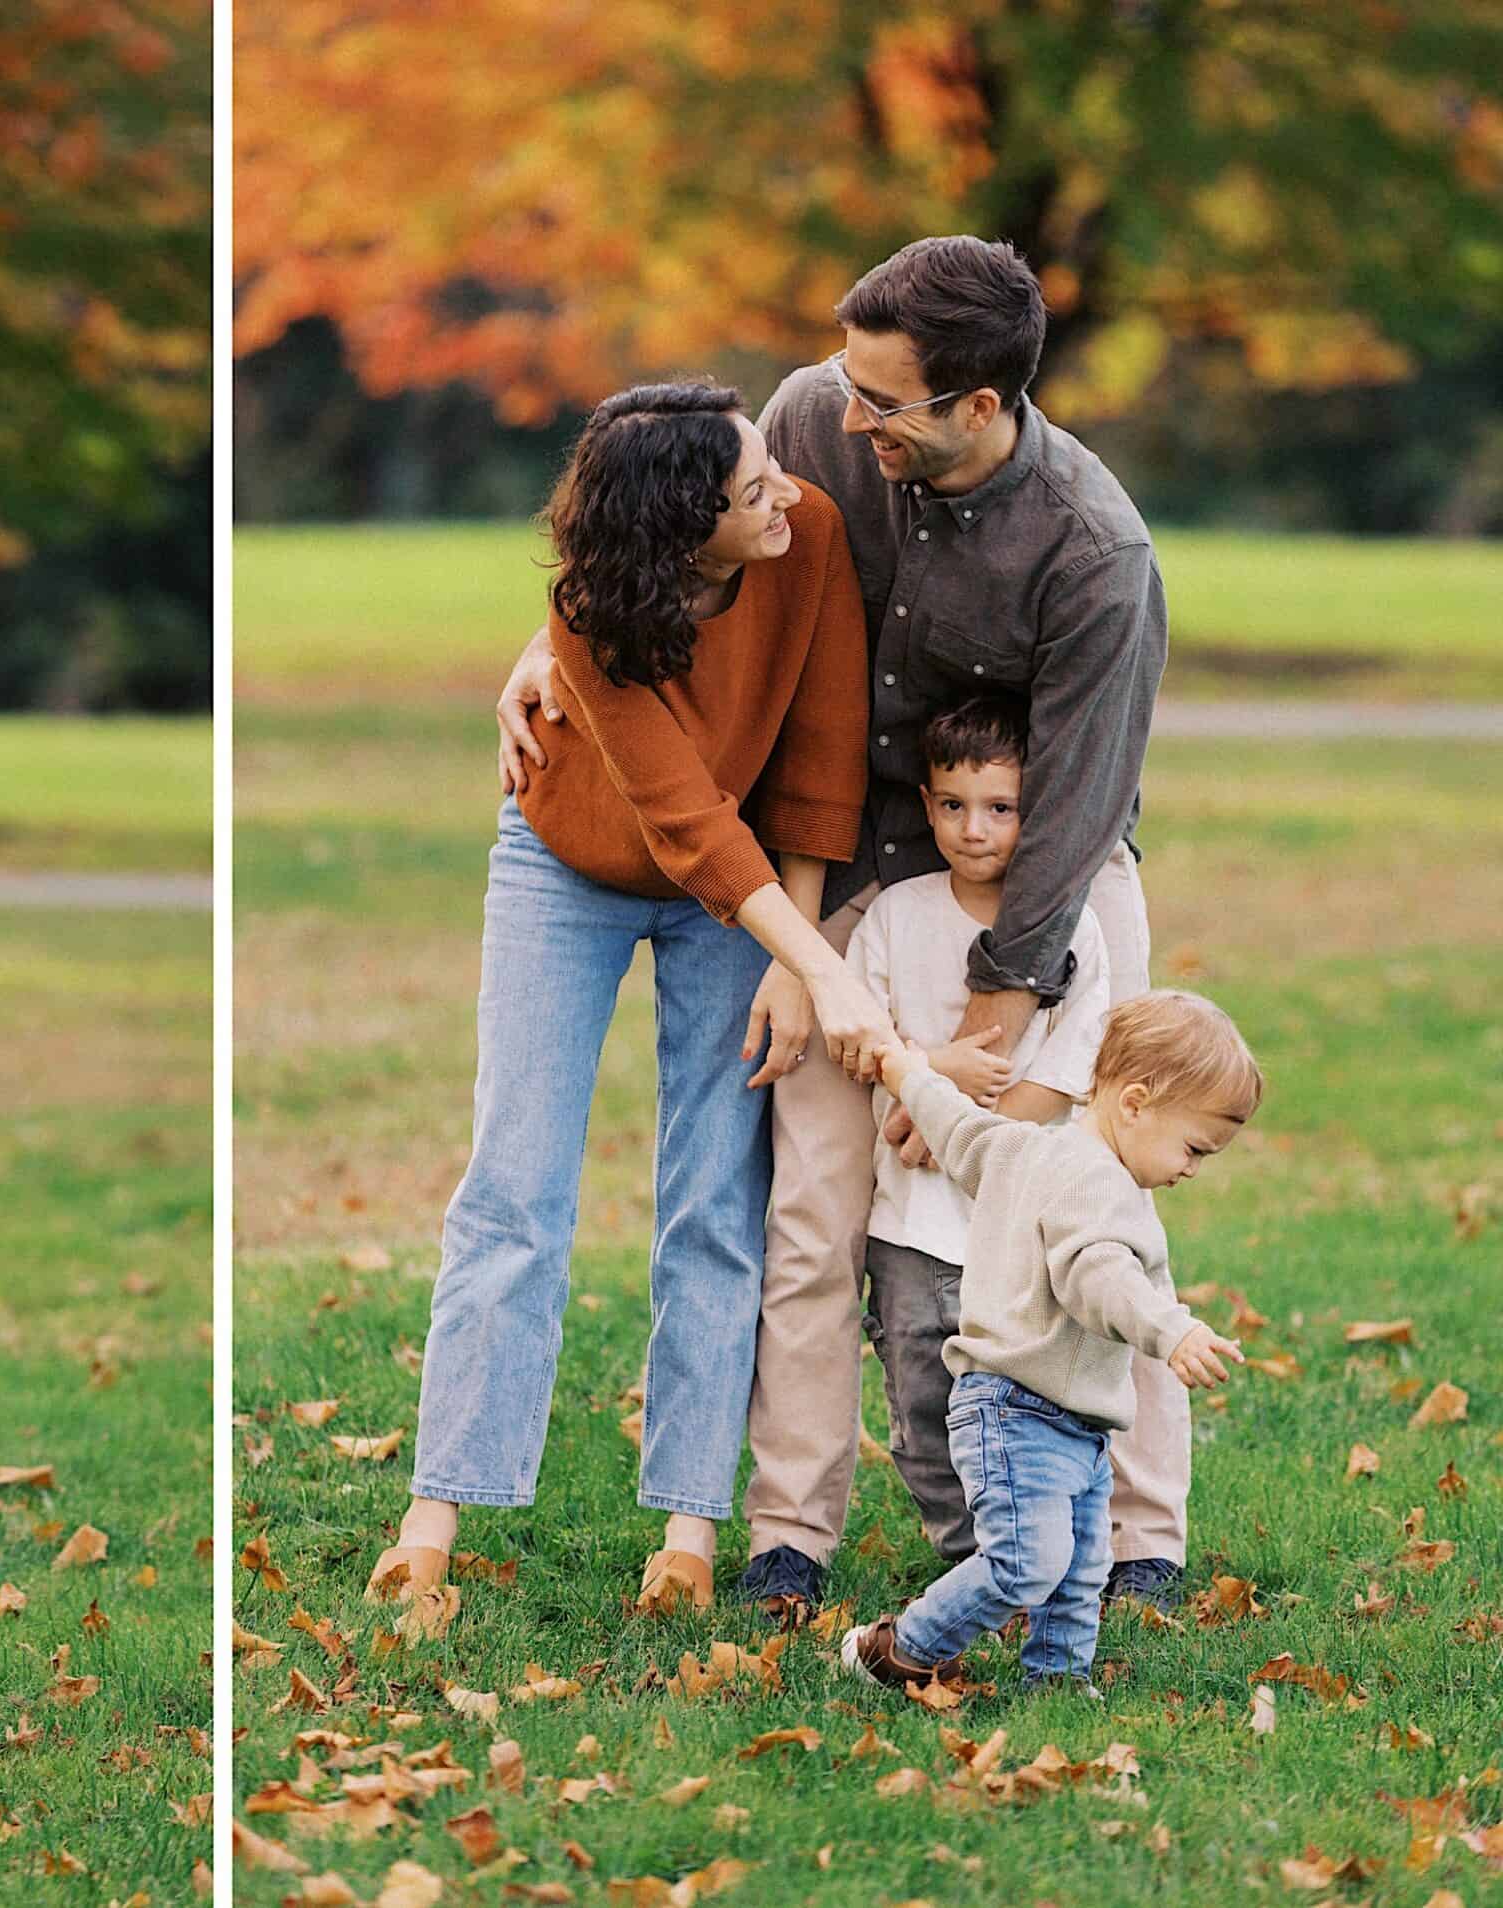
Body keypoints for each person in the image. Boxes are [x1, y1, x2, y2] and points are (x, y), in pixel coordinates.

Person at [498, 236, 1181, 1618]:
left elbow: (1079, 803)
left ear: (977, 406)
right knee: (812, 1216)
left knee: (1073, 1201)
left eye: (882, 399)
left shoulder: (1094, 552)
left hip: (1034, 876)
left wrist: (987, 1032)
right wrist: (551, 640)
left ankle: (1134, 1538)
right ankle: (789, 1534)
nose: (843, 412)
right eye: (843, 380)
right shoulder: (817, 412)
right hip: (842, 865)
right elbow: (677, 537)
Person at [367, 381, 892, 1617]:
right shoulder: (589, 615)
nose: (785, 493)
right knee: (513, 1185)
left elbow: (821, 760)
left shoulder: (806, 536)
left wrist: (792, 957)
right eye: (751, 490)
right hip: (567, 863)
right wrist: (826, 971)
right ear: (677, 530)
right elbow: (678, 815)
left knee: (716, 1195)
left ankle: (688, 1532)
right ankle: (436, 1515)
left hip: (741, 897)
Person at [839, 991, 1258, 1692]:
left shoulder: (1026, 1147)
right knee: (1026, 1566)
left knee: (1079, 1571)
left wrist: (909, 1075)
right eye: (1193, 1148)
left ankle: (1057, 1681)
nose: (1191, 1169)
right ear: (1134, 1103)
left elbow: (957, 1127)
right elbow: (1099, 1275)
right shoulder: (1099, 1186)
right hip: (1019, 1411)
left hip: (1071, 1421)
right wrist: (1171, 1329)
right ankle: (897, 1648)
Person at [845, 699, 1110, 1558]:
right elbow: (863, 1040)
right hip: (912, 1224)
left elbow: (1069, 1073)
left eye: (1001, 807)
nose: (974, 829)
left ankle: (1040, 1552)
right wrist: (936, 1067)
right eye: (954, 805)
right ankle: (968, 1558)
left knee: (1030, 1405)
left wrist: (961, 1122)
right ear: (926, 805)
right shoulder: (896, 915)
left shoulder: (1072, 925)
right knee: (924, 1404)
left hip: (1021, 1227)